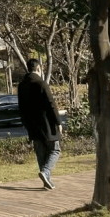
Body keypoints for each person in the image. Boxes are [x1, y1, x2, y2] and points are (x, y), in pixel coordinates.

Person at [17, 59, 62, 189]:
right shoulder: (41, 84)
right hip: (47, 124)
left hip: (32, 125)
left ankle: (46, 181)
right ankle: (46, 172)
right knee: (55, 150)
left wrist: (26, 124)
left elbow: (21, 107)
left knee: (41, 153)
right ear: (38, 68)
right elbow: (51, 104)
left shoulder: (21, 85)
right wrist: (58, 122)